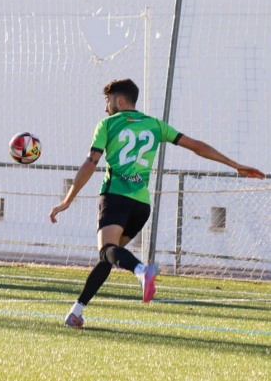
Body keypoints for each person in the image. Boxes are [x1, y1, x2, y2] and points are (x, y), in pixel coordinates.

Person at [50, 78, 265, 328]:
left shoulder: (107, 124)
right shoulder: (155, 125)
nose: (105, 107)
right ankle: (76, 312)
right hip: (141, 205)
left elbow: (90, 163)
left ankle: (142, 270)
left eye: (107, 101)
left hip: (116, 196)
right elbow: (196, 146)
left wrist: (67, 200)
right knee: (110, 256)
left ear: (119, 101)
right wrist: (235, 165)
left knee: (106, 251)